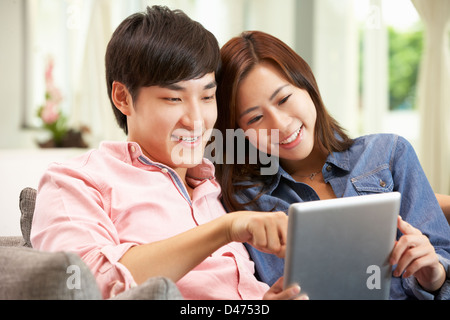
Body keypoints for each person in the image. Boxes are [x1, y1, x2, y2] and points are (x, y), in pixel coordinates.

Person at [30, 7, 305, 300]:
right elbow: (81, 285)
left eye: (207, 96)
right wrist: (225, 229)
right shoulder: (75, 181)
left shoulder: (214, 186)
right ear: (123, 97)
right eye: (174, 98)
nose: (196, 120)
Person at [215, 30, 450, 300]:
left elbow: (442, 259)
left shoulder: (389, 153)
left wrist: (435, 275)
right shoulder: (244, 200)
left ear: (307, 85)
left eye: (283, 99)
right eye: (255, 118)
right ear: (240, 132)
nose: (279, 125)